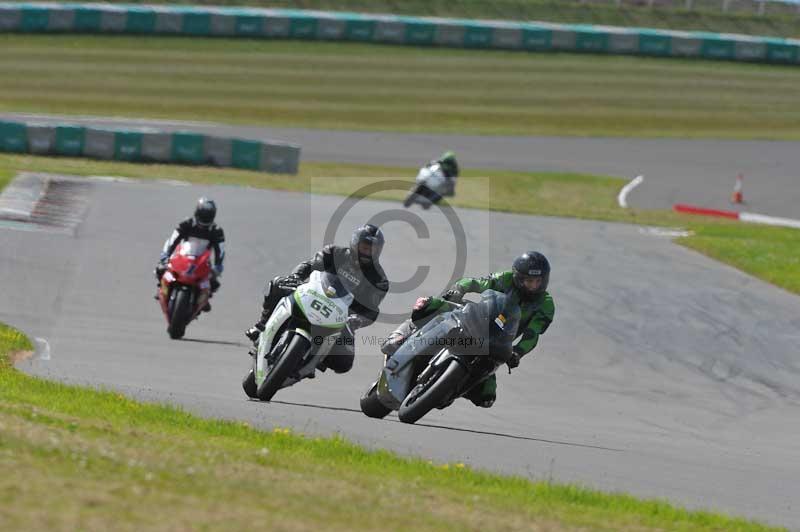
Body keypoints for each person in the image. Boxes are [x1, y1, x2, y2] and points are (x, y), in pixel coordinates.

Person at [381, 251, 554, 408]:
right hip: (477, 320)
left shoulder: (545, 304)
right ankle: (401, 336)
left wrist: (518, 352)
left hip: (498, 342)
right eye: (529, 281)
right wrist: (459, 289)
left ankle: (448, 390)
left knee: (486, 397)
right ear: (518, 277)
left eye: (537, 282)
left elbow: (533, 333)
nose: (533, 286)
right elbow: (477, 283)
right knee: (431, 305)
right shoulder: (505, 278)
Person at [245, 224, 389, 374]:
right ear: (354, 243)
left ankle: (315, 360)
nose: (368, 253)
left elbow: (371, 310)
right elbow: (309, 265)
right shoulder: (334, 253)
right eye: (365, 248)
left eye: (373, 250)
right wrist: (296, 277)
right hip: (313, 296)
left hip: (341, 317)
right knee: (277, 284)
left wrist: (356, 320)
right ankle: (261, 326)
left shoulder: (379, 280)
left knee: (344, 363)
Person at [155, 197, 225, 311]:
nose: (205, 217)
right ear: (197, 212)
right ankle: (161, 289)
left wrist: (218, 266)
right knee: (160, 270)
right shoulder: (187, 223)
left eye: (208, 215)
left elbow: (220, 250)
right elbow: (173, 240)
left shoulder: (216, 231)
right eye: (203, 214)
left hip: (201, 262)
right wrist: (165, 256)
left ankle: (203, 300)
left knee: (214, 283)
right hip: (182, 256)